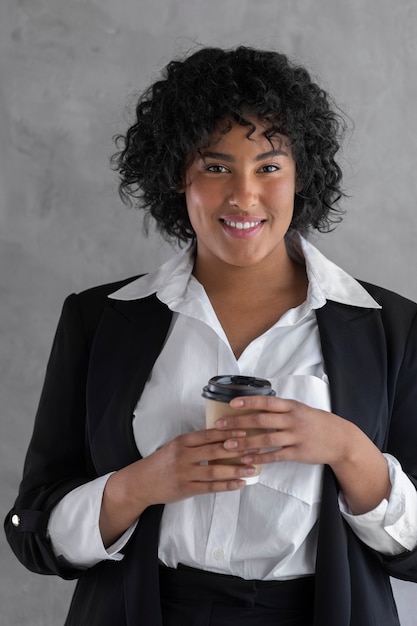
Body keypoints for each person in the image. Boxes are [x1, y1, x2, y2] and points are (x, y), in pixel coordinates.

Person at [5, 46, 417, 626]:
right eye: (216, 166)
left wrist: (349, 450)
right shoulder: (98, 320)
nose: (244, 195)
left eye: (269, 167)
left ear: (302, 175)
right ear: (178, 175)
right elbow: (33, 535)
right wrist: (140, 485)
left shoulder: (393, 328)